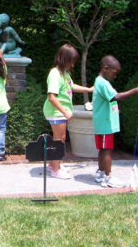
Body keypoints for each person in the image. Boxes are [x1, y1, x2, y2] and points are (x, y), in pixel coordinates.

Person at [92, 55, 138, 187]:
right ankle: (108, 178)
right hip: (105, 124)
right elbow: (115, 97)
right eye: (114, 73)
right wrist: (134, 91)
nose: (115, 76)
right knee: (107, 149)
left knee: (104, 149)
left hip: (104, 123)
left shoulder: (101, 82)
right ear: (106, 68)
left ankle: (101, 172)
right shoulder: (102, 83)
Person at [43, 44, 93, 179]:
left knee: (59, 138)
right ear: (64, 59)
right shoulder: (55, 73)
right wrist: (65, 112)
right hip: (56, 112)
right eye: (72, 61)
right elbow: (52, 97)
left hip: (60, 112)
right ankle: (56, 170)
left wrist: (88, 90)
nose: (73, 64)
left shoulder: (65, 74)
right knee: (59, 140)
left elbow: (71, 86)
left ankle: (52, 164)